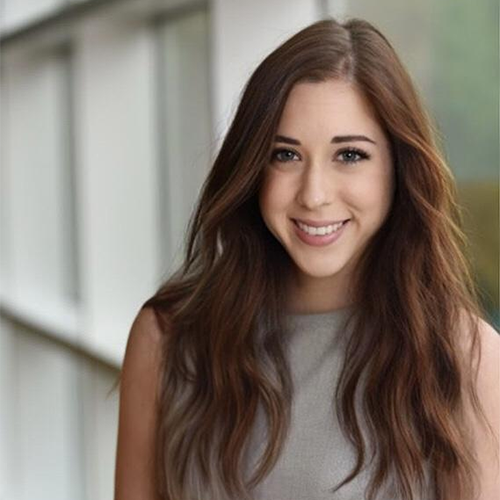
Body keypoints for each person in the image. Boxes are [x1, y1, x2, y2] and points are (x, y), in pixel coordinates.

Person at [114, 17, 500, 500]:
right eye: (285, 155)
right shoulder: (167, 337)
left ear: (397, 168)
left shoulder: (464, 356)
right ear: (253, 168)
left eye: (350, 155)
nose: (314, 195)